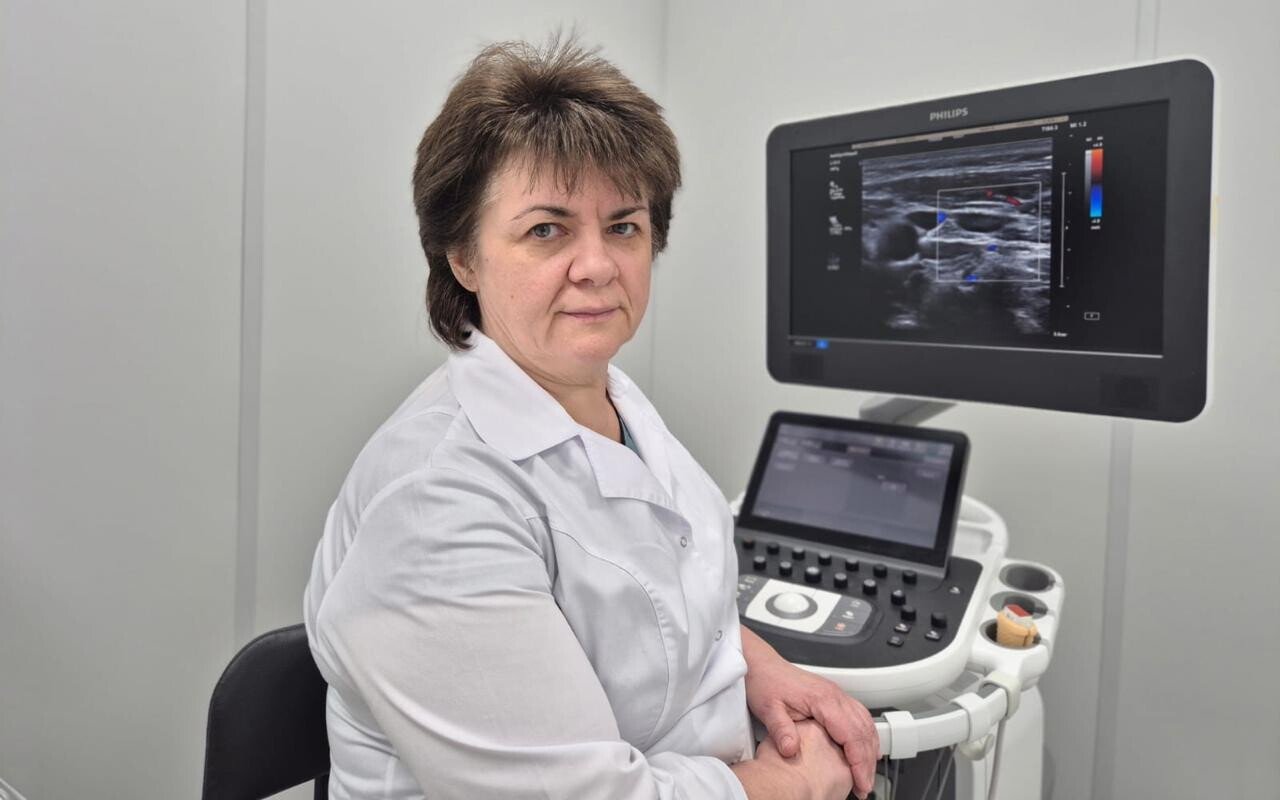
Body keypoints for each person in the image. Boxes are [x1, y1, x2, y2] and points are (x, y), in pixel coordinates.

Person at [303, 35, 879, 800]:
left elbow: (654, 604)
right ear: (462, 257)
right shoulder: (432, 505)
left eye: (623, 226)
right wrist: (796, 783)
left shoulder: (607, 399)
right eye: (546, 229)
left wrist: (758, 667)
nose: (599, 265)